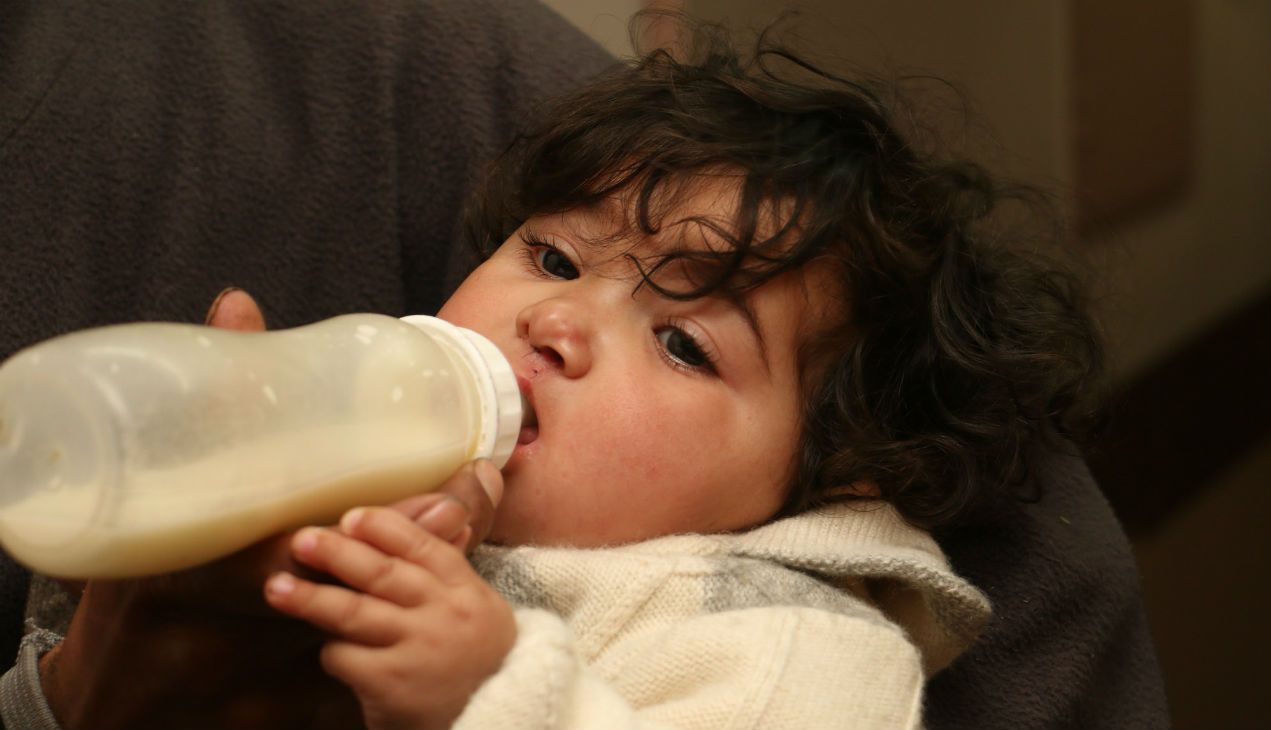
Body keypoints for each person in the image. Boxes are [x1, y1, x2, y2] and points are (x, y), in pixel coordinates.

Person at [0, 3, 1170, 729]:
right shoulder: (355, 506)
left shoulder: (783, 640)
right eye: (552, 252)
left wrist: (496, 695)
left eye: (680, 341)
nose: (559, 321)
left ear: (824, 481)